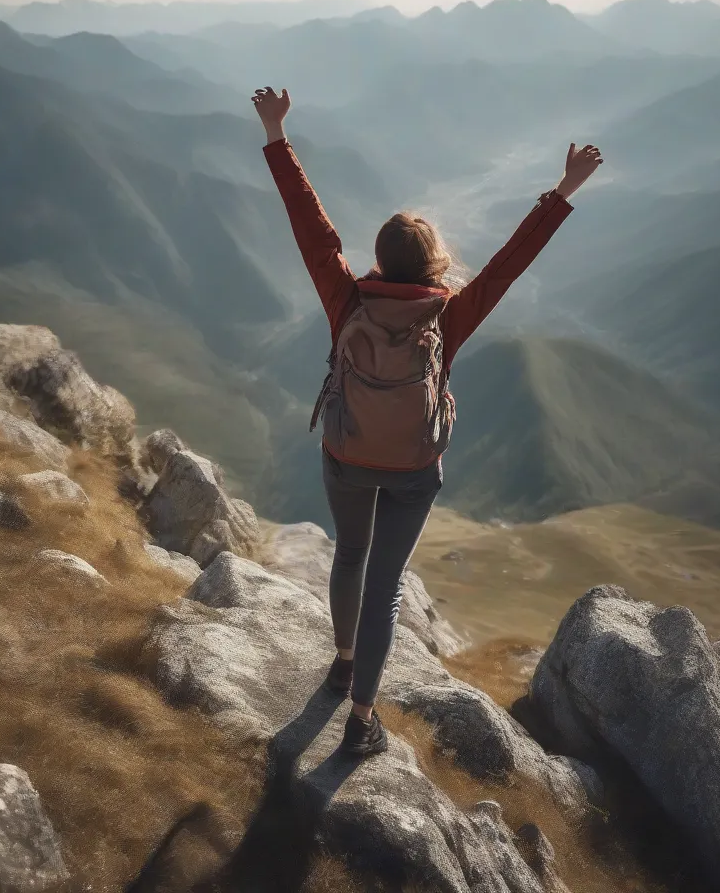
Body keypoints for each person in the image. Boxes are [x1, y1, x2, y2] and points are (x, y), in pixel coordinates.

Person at [253, 85, 603, 757]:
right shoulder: (446, 317)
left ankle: (344, 658)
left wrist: (276, 132)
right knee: (384, 584)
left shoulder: (346, 296)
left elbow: (308, 221)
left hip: (346, 454)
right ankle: (360, 720)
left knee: (348, 556)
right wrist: (563, 189)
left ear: (380, 259)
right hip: (415, 467)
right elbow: (507, 265)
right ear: (434, 262)